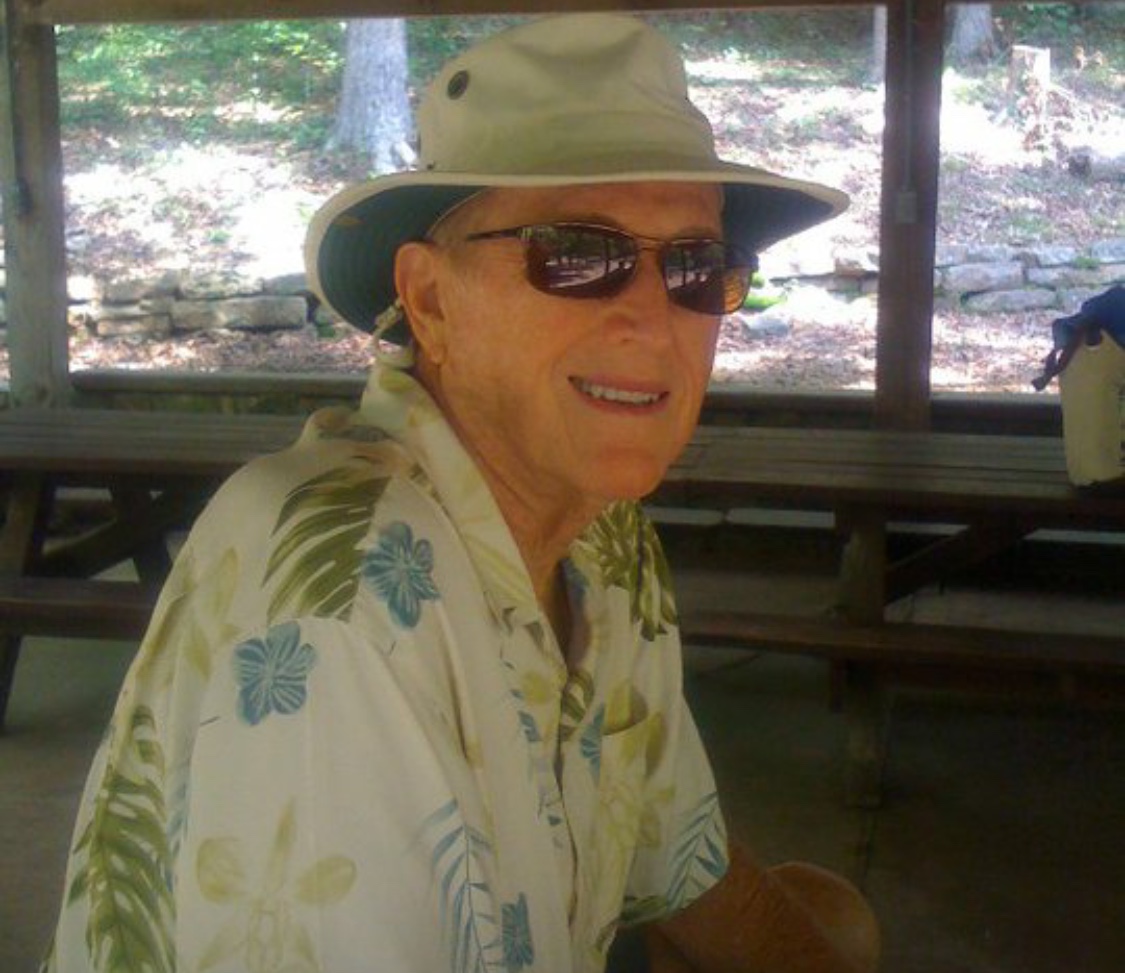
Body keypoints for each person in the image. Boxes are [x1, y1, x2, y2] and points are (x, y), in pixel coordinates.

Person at [46, 14, 879, 973]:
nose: (653, 319)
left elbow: (677, 853)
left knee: (833, 919)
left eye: (695, 268)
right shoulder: (348, 585)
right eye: (577, 255)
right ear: (432, 300)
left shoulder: (605, 537)